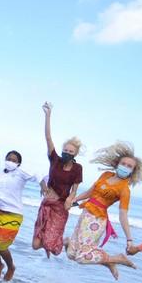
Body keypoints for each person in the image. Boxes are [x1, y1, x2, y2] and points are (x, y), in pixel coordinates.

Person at [65, 142, 142, 279]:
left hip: (97, 220)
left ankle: (117, 258)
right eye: (124, 164)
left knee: (81, 257)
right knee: (71, 254)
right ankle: (109, 262)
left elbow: (123, 215)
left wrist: (129, 239)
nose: (125, 167)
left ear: (132, 171)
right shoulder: (105, 175)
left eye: (129, 166)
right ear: (117, 164)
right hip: (85, 214)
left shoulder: (124, 189)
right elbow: (90, 192)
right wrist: (73, 201)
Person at [0, 151, 38, 281]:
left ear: (18, 163)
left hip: (12, 215)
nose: (11, 161)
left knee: (1, 246)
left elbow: (37, 176)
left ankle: (11, 267)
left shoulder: (20, 173)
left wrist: (44, 186)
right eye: (9, 159)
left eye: (14, 160)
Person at [33, 102, 83, 257]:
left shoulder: (77, 168)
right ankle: (49, 243)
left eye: (71, 151)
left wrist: (70, 199)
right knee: (35, 245)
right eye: (65, 150)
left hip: (61, 207)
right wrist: (48, 116)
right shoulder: (55, 159)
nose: (67, 152)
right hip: (47, 203)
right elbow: (48, 137)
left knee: (55, 250)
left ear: (75, 154)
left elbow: (74, 189)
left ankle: (66, 241)